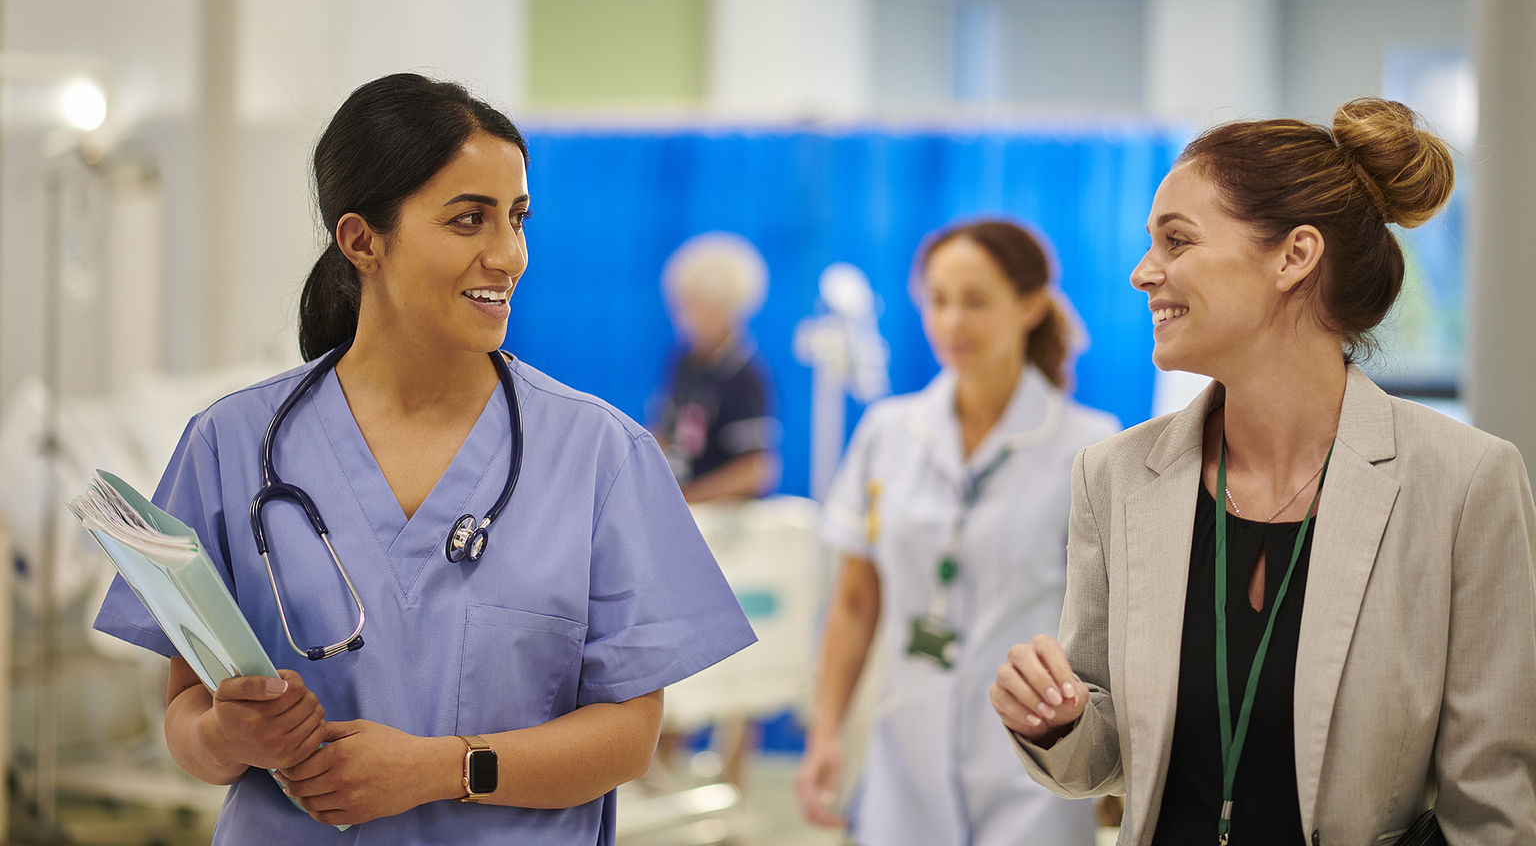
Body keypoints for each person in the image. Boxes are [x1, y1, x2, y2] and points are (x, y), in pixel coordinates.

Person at [91, 74, 756, 844]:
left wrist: (442, 769)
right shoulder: (231, 446)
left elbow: (629, 738)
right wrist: (230, 740)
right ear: (361, 241)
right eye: (468, 220)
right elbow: (186, 717)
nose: (508, 254)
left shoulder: (599, 455)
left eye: (517, 218)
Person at [991, 98, 1536, 844]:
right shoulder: (1115, 477)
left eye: (1176, 241)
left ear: (1294, 256)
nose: (1142, 273)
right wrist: (1059, 720)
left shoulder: (1465, 484)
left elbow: (1494, 813)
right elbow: (1108, 758)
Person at [795, 220, 1120, 846]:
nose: (952, 321)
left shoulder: (1088, 447)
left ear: (1029, 305)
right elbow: (857, 604)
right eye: (938, 300)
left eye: (975, 300)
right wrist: (826, 732)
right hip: (905, 753)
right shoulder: (888, 433)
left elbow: (1111, 627)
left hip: (1033, 762)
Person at [652, 232, 780, 503]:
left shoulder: (745, 376)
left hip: (718, 518)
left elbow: (755, 469)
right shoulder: (683, 362)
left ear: (729, 310)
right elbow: (665, 432)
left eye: (701, 308)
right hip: (681, 506)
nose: (688, 319)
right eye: (684, 306)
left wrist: (689, 499)